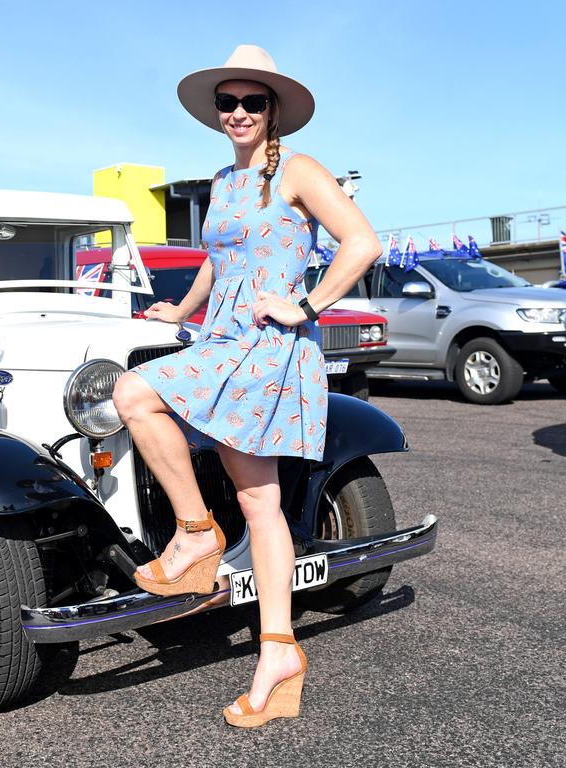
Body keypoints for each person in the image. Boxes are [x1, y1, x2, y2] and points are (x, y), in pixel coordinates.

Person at [112, 45, 381, 728]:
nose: (237, 112)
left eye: (251, 102)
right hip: (223, 340)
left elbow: (361, 242)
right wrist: (181, 310)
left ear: (274, 110)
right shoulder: (223, 181)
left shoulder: (297, 169)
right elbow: (216, 258)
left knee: (134, 394)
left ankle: (197, 535)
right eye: (226, 102)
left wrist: (309, 305)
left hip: (267, 349)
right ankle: (278, 653)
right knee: (260, 504)